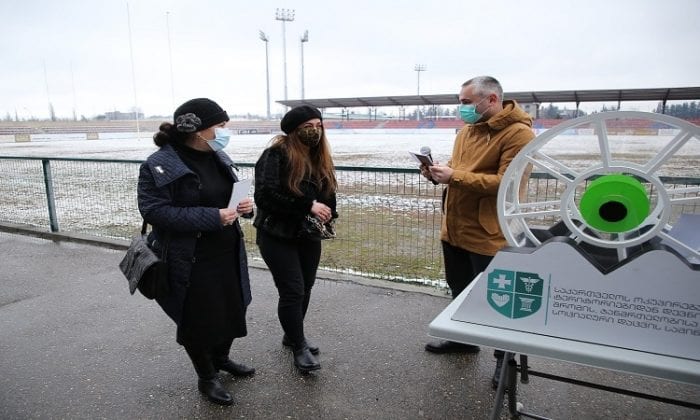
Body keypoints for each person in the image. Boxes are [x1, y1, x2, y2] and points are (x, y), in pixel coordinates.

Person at [137, 98, 255, 406]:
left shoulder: (218, 155)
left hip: (227, 251)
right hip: (188, 258)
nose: (225, 132)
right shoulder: (158, 164)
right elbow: (154, 211)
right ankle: (207, 376)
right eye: (221, 126)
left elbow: (227, 196)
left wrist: (245, 206)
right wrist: (213, 217)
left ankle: (222, 359)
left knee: (233, 308)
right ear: (197, 129)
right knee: (197, 320)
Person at [421, 76, 535, 389]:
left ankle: (505, 361)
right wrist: (436, 173)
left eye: (466, 102)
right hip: (455, 229)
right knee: (459, 290)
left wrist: (454, 176)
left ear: (492, 99)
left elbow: (506, 184)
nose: (462, 108)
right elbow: (457, 171)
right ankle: (464, 340)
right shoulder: (466, 132)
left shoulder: (520, 134)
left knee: (498, 302)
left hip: (489, 233)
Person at [253, 105, 338, 373]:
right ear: (293, 130)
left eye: (318, 125)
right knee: (293, 290)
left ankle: (292, 335)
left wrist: (329, 213)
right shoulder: (275, 155)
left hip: (308, 234)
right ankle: (299, 346)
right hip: (277, 233)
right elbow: (265, 196)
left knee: (306, 286)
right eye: (307, 126)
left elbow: (327, 192)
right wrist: (307, 206)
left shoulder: (319, 156)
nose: (315, 131)